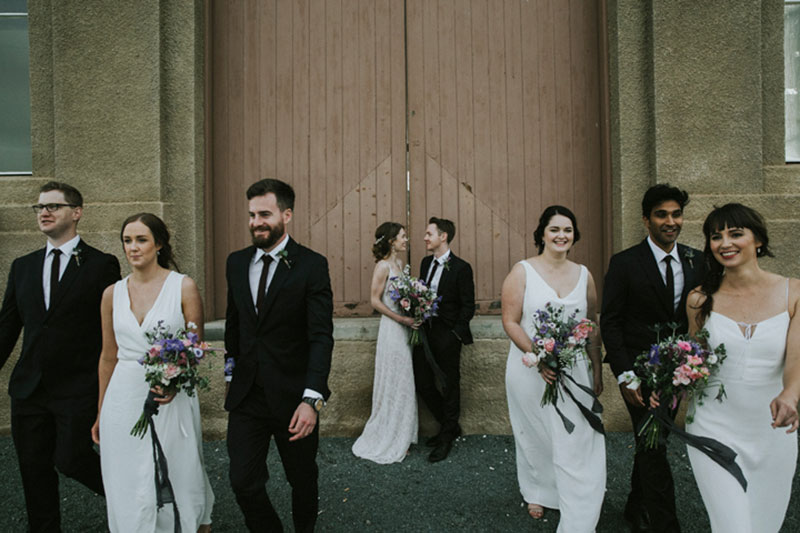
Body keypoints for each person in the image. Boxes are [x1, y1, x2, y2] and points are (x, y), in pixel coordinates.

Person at [0, 181, 120, 532]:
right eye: (39, 208)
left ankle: (131, 498)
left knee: (71, 459)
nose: (45, 213)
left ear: (76, 213)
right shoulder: (22, 267)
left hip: (77, 386)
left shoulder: (101, 265)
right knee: (34, 472)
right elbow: (7, 326)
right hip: (29, 388)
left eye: (53, 206)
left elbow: (111, 330)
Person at [92, 213, 214, 532]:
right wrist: (101, 411)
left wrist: (174, 381)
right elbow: (108, 356)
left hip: (170, 397)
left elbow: (195, 348)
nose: (133, 247)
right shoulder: (111, 294)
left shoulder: (183, 286)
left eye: (141, 239)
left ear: (159, 244)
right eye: (127, 241)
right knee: (127, 478)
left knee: (180, 471)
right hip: (122, 397)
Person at [681, 203, 799, 532]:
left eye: (735, 233)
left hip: (772, 430)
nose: (724, 243)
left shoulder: (795, 292)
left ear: (757, 239)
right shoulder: (699, 299)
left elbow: (796, 359)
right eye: (715, 236)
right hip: (713, 426)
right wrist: (670, 380)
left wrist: (790, 396)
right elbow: (694, 362)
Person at [225, 179, 334, 532]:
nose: (256, 221)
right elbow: (234, 326)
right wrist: (230, 376)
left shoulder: (312, 265)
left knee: (302, 480)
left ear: (286, 215)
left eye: (265, 214)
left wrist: (311, 399)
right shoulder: (236, 263)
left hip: (293, 398)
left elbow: (320, 336)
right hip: (247, 397)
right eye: (252, 215)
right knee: (243, 482)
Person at [601, 183, 704, 533]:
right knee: (656, 446)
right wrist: (625, 375)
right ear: (647, 220)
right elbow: (610, 323)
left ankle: (635, 506)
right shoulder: (625, 263)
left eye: (676, 214)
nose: (670, 221)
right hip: (637, 373)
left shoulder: (697, 259)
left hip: (676, 373)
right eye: (662, 214)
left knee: (652, 440)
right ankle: (665, 524)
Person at [501, 205, 605, 528]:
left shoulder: (584, 274)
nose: (562, 236)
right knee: (535, 432)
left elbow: (591, 324)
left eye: (568, 230)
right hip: (531, 368)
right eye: (555, 229)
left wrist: (597, 369)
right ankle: (538, 490)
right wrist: (540, 356)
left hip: (574, 371)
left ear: (574, 236)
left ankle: (576, 492)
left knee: (577, 436)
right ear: (542, 234)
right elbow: (510, 321)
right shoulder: (522, 271)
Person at [352, 222, 419, 463]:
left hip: (404, 327)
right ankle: (387, 435)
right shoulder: (382, 267)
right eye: (402, 236)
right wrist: (400, 317)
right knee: (394, 378)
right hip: (392, 328)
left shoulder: (399, 264)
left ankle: (401, 434)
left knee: (403, 380)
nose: (406, 240)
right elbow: (375, 300)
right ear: (391, 240)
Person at [413, 217, 475, 463]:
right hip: (424, 332)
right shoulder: (425, 262)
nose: (425, 238)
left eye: (429, 233)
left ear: (443, 237)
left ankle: (446, 436)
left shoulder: (461, 268)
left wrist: (455, 334)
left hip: (447, 334)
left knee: (450, 384)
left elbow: (468, 306)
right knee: (423, 381)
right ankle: (448, 425)